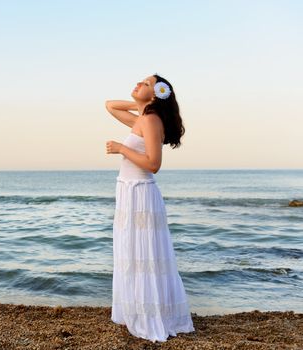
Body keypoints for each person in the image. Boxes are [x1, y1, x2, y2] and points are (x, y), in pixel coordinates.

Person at [105, 74, 195, 342]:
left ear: (156, 94)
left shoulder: (152, 121)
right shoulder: (145, 118)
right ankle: (135, 310)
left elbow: (154, 163)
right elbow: (110, 105)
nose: (137, 84)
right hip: (129, 192)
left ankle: (151, 315)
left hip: (141, 193)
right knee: (131, 251)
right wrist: (143, 104)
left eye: (144, 83)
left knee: (144, 253)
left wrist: (122, 148)